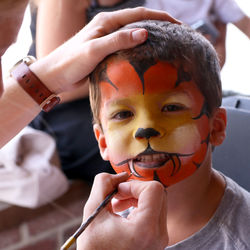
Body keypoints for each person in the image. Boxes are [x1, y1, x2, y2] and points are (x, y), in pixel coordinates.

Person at [77, 20, 250, 249]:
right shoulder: (106, 225)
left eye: (171, 108)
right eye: (123, 114)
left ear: (216, 127)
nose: (146, 128)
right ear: (103, 141)